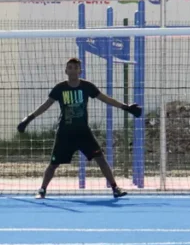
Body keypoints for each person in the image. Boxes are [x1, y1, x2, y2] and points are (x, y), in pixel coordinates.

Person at [18, 57, 141, 198]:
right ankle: (42, 190)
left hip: (83, 132)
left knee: (100, 159)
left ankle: (115, 188)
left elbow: (105, 98)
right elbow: (46, 105)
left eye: (76, 67)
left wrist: (126, 107)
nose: (73, 70)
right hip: (65, 133)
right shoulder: (60, 88)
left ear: (80, 71)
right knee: (54, 164)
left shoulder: (87, 86)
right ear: (66, 71)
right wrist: (28, 119)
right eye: (70, 67)